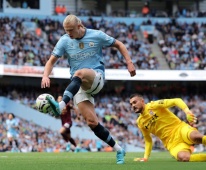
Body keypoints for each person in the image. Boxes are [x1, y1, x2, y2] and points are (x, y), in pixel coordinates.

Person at [41, 14, 136, 164]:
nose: (68, 34)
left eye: (71, 30)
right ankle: (119, 149)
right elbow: (51, 61)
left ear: (80, 26)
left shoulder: (96, 35)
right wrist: (45, 76)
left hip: (96, 78)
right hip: (79, 85)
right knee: (92, 122)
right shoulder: (65, 40)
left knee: (80, 73)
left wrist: (129, 63)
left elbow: (119, 44)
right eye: (66, 31)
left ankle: (60, 105)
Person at [129, 93, 206, 162]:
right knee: (184, 158)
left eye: (135, 102)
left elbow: (176, 101)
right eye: (131, 104)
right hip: (171, 143)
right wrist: (145, 157)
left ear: (142, 101)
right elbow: (148, 140)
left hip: (180, 128)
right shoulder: (140, 122)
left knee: (195, 136)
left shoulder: (153, 105)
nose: (133, 105)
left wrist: (187, 112)